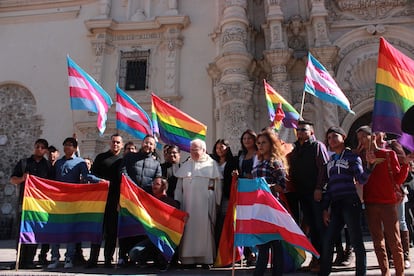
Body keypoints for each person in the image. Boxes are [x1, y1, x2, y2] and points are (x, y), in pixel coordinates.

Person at [319, 126, 376, 276]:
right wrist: (325, 208)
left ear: (343, 137)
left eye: (334, 136)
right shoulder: (330, 161)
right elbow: (329, 186)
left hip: (350, 202)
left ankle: (360, 273)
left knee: (356, 240)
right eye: (329, 137)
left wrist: (369, 166)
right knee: (329, 239)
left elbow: (361, 178)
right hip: (336, 204)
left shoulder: (352, 157)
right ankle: (324, 272)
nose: (331, 140)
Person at [356, 126, 411, 276]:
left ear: (373, 137)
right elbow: (359, 177)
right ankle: (384, 272)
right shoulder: (359, 157)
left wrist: (406, 164)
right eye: (358, 138)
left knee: (395, 241)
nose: (361, 141)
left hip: (388, 203)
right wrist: (367, 163)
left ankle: (400, 273)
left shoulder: (388, 154)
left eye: (363, 137)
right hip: (370, 202)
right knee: (377, 242)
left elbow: (398, 178)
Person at [47, 137, 102, 269]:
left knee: (71, 230)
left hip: (73, 201)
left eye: (70, 145)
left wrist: (101, 181)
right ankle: (54, 257)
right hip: (58, 201)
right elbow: (52, 180)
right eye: (65, 145)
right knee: (56, 229)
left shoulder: (80, 163)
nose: (67, 147)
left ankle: (69, 258)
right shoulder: (58, 163)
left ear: (75, 148)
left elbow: (87, 176)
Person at [288, 120, 329, 272]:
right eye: (298, 130)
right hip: (302, 194)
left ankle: (324, 261)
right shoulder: (295, 149)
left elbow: (323, 168)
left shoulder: (317, 146)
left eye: (303, 130)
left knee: (319, 227)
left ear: (311, 131)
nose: (299, 132)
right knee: (311, 227)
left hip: (315, 194)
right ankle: (315, 259)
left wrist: (319, 188)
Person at [174, 139, 222, 267]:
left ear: (204, 150)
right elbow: (179, 188)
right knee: (188, 230)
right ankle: (188, 260)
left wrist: (216, 202)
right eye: (191, 150)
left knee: (206, 231)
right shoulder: (186, 165)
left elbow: (218, 186)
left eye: (196, 150)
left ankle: (205, 259)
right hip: (187, 205)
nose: (193, 153)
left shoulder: (211, 165)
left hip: (206, 203)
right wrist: (178, 203)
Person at [119, 134, 162, 265]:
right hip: (130, 198)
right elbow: (123, 172)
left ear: (154, 147)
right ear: (142, 143)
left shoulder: (156, 164)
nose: (148, 145)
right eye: (146, 142)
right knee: (126, 227)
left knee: (142, 229)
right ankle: (123, 256)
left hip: (145, 201)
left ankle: (139, 257)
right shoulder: (130, 157)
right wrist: (133, 188)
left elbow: (157, 180)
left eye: (151, 144)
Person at [10, 139, 51, 269]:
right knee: (21, 230)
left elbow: (51, 185)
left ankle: (29, 260)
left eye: (42, 147)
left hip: (39, 205)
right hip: (25, 202)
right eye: (37, 146)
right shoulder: (24, 163)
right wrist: (23, 178)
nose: (39, 149)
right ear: (34, 147)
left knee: (34, 232)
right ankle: (20, 258)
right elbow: (13, 180)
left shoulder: (48, 166)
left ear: (45, 150)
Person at [251, 129, 287, 276]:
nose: (260, 145)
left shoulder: (275, 163)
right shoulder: (257, 163)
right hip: (259, 207)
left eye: (263, 142)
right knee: (263, 243)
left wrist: (268, 188)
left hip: (272, 206)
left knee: (275, 243)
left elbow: (282, 186)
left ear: (271, 144)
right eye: (258, 143)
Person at [86, 134, 124, 268]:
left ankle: (108, 259)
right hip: (100, 199)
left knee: (112, 232)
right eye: (114, 142)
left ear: (122, 145)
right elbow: (91, 175)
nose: (115, 144)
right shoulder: (101, 158)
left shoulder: (123, 160)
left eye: (118, 143)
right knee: (97, 230)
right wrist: (99, 181)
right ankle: (93, 259)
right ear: (110, 143)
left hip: (115, 201)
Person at [375, 131, 412, 269]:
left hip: (395, 190)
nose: (374, 133)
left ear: (383, 134)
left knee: (400, 222)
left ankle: (405, 255)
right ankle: (391, 256)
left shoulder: (392, 145)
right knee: (384, 225)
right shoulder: (368, 149)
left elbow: (403, 161)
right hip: (378, 192)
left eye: (377, 131)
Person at [128, 177, 180, 271]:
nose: (153, 186)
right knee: (134, 253)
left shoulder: (171, 203)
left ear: (164, 187)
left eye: (157, 184)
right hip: (151, 238)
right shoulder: (149, 201)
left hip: (165, 239)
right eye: (153, 184)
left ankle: (164, 259)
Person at [236, 129, 258, 265]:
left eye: (249, 138)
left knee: (254, 221)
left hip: (254, 190)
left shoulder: (258, 154)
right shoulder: (241, 155)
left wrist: (253, 176)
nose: (247, 141)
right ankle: (248, 252)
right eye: (244, 139)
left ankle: (256, 253)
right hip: (243, 191)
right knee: (244, 222)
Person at [210, 139, 237, 248]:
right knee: (214, 218)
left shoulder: (233, 161)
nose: (219, 150)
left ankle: (223, 247)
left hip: (226, 194)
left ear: (227, 148)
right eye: (217, 148)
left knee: (223, 218)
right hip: (213, 193)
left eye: (222, 147)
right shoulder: (211, 161)